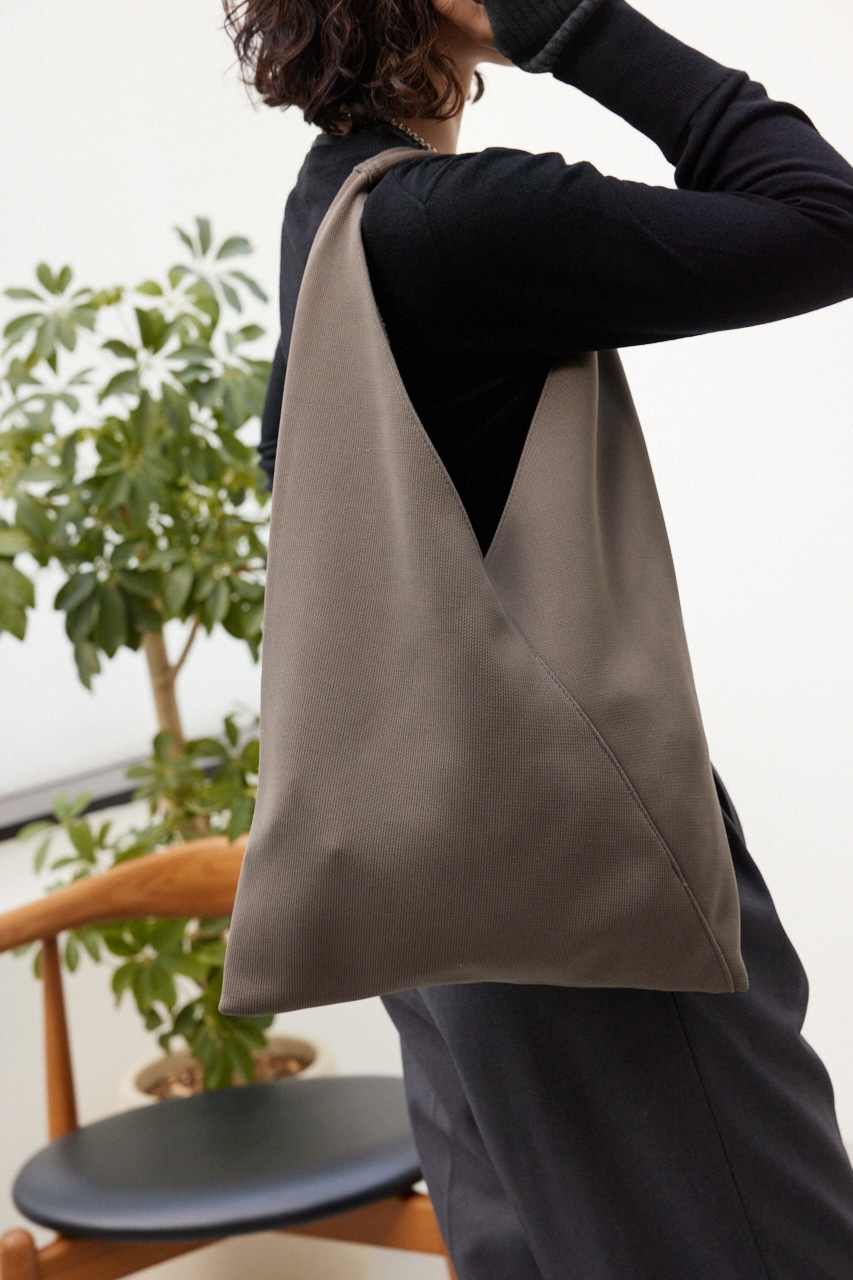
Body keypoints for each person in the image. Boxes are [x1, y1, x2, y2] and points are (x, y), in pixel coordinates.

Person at [222, 0, 853, 1274]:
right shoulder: (454, 225)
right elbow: (823, 218)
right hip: (588, 914)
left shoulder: (329, 215)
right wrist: (578, 25)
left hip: (438, 920)